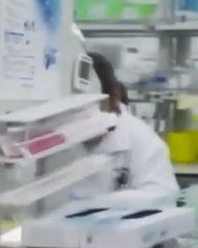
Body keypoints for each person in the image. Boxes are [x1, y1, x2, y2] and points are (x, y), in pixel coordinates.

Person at [70, 52, 179, 207]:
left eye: (89, 107)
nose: (82, 117)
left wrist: (98, 204)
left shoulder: (144, 141)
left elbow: (162, 199)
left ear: (115, 96)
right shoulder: (56, 135)